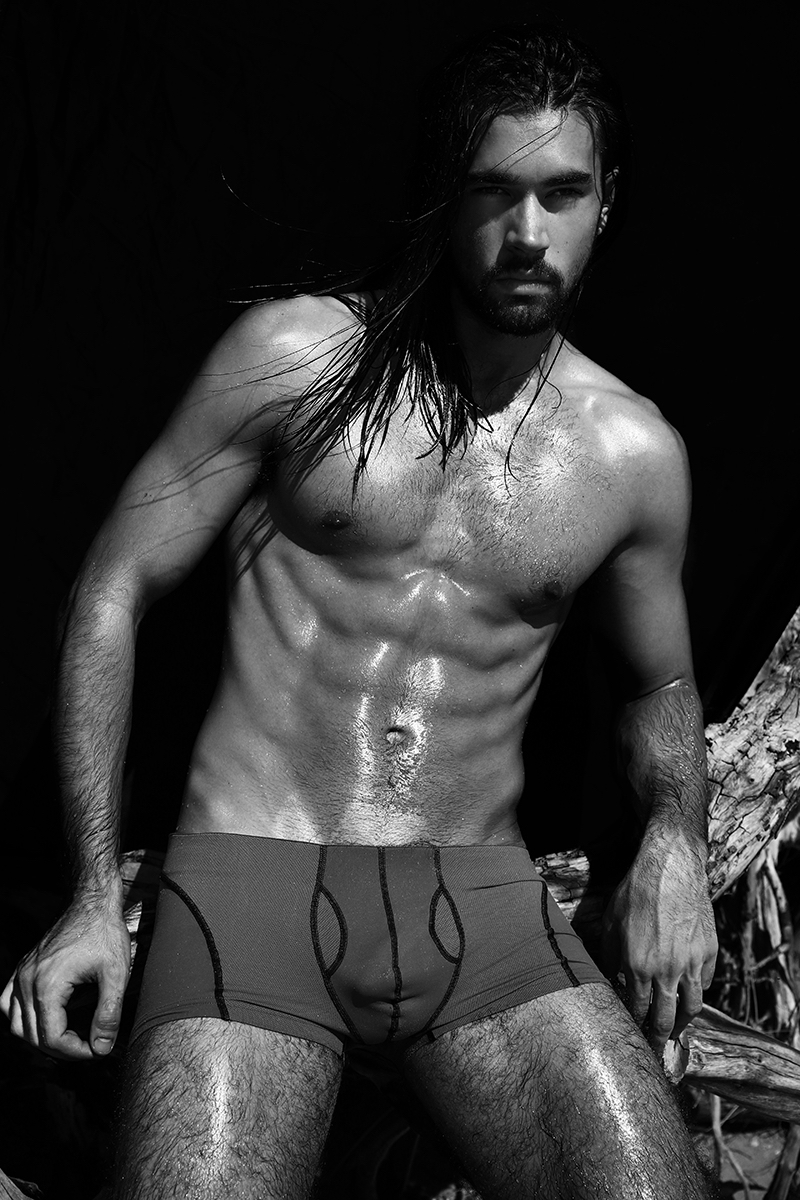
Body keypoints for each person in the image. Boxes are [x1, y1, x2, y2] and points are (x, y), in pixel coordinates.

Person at [1, 24, 719, 1200]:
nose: (525, 232)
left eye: (560, 193)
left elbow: (661, 686)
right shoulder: (298, 355)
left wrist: (676, 841)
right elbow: (111, 588)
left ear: (606, 203)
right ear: (445, 195)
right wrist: (89, 897)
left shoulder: (632, 455)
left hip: (478, 910)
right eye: (492, 191)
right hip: (252, 887)